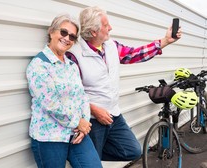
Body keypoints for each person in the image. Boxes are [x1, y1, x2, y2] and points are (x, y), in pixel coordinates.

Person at [66, 6, 182, 162]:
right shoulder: (75, 54)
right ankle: (86, 155)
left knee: (133, 151)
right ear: (94, 32)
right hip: (92, 120)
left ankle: (87, 154)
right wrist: (94, 110)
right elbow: (73, 93)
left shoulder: (111, 45)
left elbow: (135, 54)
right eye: (106, 26)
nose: (110, 28)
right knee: (91, 162)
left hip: (114, 114)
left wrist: (165, 41)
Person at [26, 14, 102, 168]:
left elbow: (82, 96)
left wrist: (85, 122)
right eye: (63, 32)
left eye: (72, 36)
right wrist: (78, 122)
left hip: (76, 133)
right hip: (50, 138)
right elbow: (51, 104)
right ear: (51, 32)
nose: (67, 38)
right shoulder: (38, 65)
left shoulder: (71, 65)